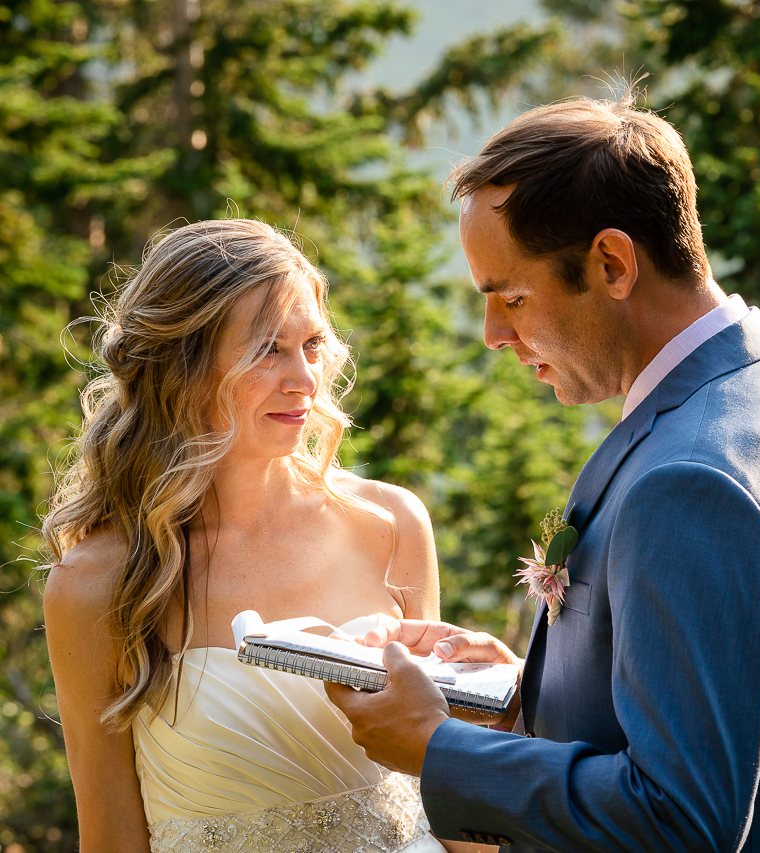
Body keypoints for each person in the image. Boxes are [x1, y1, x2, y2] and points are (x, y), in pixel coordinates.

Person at [327, 88, 760, 851]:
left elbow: (678, 818)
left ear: (613, 262)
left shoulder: (694, 479)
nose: (492, 334)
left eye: (511, 297)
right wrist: (526, 694)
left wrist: (438, 747)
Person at [42, 219, 489, 853]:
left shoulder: (390, 525)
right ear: (182, 366)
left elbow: (446, 799)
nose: (305, 379)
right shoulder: (98, 582)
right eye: (267, 350)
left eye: (312, 344)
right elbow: (111, 836)